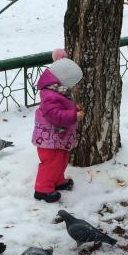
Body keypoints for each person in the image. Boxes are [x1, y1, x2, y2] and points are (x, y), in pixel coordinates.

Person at [32, 49, 84, 202]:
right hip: (48, 141)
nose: (77, 88)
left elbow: (63, 109)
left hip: (57, 140)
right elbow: (55, 115)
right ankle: (42, 190)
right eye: (75, 85)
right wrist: (74, 115)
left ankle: (58, 181)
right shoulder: (50, 96)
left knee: (61, 160)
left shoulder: (58, 93)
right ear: (65, 82)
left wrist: (74, 109)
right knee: (50, 165)